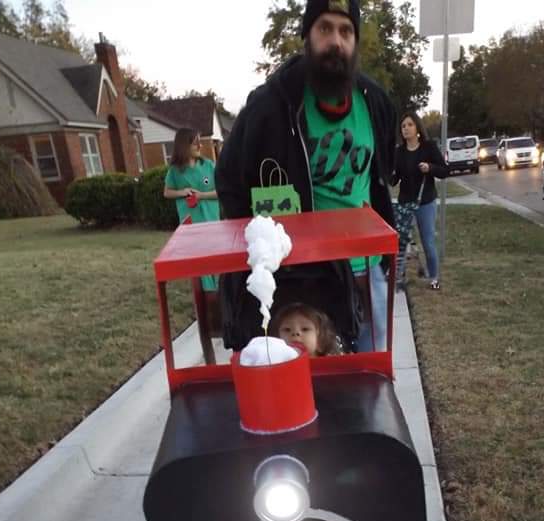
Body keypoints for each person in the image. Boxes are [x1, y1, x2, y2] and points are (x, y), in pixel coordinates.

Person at [215, 0, 396, 352]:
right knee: (302, 387)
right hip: (303, 279)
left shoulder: (375, 102)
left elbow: (380, 175)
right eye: (324, 28)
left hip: (367, 270)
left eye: (346, 31)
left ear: (355, 42)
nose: (336, 41)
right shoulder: (271, 105)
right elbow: (229, 181)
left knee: (369, 384)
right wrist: (259, 254)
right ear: (308, 35)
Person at [164, 127, 220, 362]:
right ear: (184, 145)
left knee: (218, 266)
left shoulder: (209, 166)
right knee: (200, 271)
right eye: (195, 142)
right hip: (191, 229)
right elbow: (167, 192)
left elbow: (220, 192)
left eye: (200, 142)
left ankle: (219, 306)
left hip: (212, 224)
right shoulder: (175, 170)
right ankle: (207, 309)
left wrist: (202, 195)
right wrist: (183, 192)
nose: (199, 146)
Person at [392, 111, 449, 291]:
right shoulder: (399, 152)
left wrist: (430, 167)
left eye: (409, 125)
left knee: (428, 242)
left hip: (425, 201)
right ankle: (398, 279)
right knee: (400, 243)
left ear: (417, 128)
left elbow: (444, 171)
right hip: (405, 203)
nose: (406, 128)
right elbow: (394, 179)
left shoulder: (428, 147)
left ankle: (434, 278)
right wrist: (386, 172)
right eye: (403, 126)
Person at [270, 301, 342, 357]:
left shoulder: (331, 366)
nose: (295, 333)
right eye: (287, 329)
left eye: (305, 329)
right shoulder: (271, 367)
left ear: (320, 341)